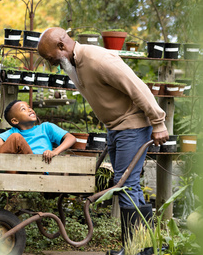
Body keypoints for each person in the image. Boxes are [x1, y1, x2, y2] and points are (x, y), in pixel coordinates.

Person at [37, 27, 169, 243]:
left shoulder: (97, 58)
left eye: (50, 58)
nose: (51, 63)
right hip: (115, 127)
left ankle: (136, 249)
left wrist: (158, 122)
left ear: (62, 46)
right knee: (127, 185)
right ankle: (142, 247)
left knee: (125, 186)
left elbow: (138, 87)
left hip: (132, 126)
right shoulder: (73, 64)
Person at [0, 100, 76, 164]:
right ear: (15, 120)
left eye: (29, 107)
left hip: (36, 165)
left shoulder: (46, 127)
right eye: (23, 109)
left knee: (16, 138)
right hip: (16, 165)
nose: (30, 110)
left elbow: (71, 138)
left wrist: (54, 152)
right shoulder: (13, 132)